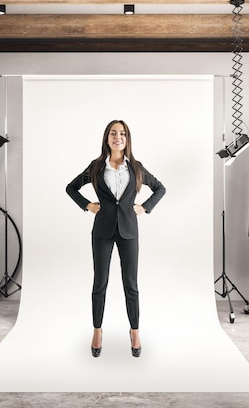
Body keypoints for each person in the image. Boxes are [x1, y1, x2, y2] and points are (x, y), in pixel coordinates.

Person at [66, 119, 166, 358]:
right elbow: (71, 187)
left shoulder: (136, 167)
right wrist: (87, 205)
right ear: (107, 138)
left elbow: (160, 188)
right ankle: (97, 331)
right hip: (102, 231)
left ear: (127, 139)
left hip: (129, 232)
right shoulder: (97, 166)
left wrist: (145, 207)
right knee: (100, 283)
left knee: (131, 284)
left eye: (122, 133)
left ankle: (134, 331)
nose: (117, 137)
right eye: (113, 133)